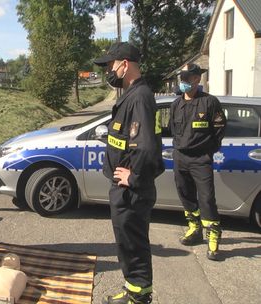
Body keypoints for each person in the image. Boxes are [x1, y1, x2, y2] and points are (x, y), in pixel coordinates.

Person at [94, 42, 164, 304]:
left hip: (131, 190)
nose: (108, 72)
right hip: (125, 188)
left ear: (124, 64)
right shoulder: (132, 95)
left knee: (133, 245)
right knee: (128, 243)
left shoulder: (140, 97)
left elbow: (146, 147)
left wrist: (132, 178)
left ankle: (138, 297)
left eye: (110, 66)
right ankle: (134, 290)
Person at [169, 63, 226, 261]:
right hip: (180, 158)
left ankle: (213, 237)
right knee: (185, 194)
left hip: (201, 159)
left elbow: (219, 129)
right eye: (181, 77)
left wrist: (207, 151)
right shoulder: (176, 104)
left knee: (207, 199)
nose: (183, 80)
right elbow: (173, 130)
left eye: (187, 77)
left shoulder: (210, 102)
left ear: (197, 79)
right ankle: (195, 229)